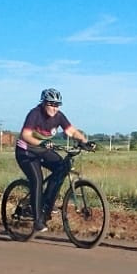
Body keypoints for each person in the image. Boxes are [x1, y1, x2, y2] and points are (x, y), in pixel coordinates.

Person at [15, 88, 89, 232]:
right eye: (51, 104)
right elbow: (25, 135)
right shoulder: (35, 114)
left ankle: (46, 206)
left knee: (62, 167)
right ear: (44, 103)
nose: (54, 108)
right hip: (26, 152)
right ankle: (37, 221)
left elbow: (71, 131)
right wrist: (40, 143)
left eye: (57, 105)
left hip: (42, 150)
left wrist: (84, 141)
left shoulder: (59, 116)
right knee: (37, 180)